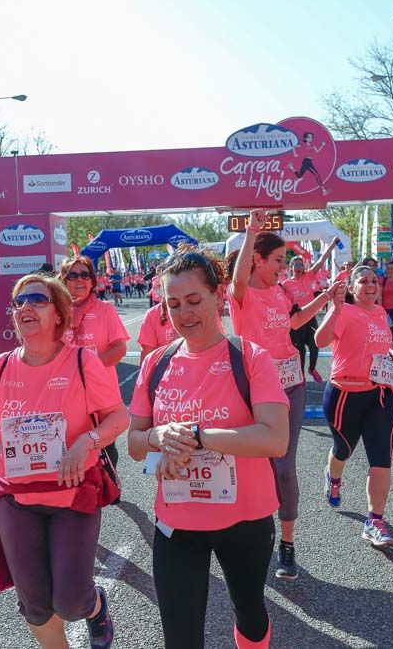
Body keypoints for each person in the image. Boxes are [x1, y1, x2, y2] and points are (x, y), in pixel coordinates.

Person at [0, 273, 127, 649]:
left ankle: (95, 609)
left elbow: (118, 418)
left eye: (37, 300)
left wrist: (86, 442)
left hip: (72, 494)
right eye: (19, 302)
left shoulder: (82, 361)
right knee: (34, 605)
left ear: (59, 315)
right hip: (16, 500)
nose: (25, 306)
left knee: (71, 600)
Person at [127, 249, 289, 649]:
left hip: (245, 522)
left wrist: (200, 435)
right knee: (180, 639)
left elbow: (275, 438)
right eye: (173, 304)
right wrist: (157, 437)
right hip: (177, 524)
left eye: (194, 300)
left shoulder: (250, 358)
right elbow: (133, 444)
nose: (184, 314)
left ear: (219, 296)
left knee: (249, 613)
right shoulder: (156, 364)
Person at [229, 209, 340, 580]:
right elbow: (239, 274)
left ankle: (287, 546)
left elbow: (293, 322)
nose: (282, 267)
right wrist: (251, 232)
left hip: (291, 383)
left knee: (284, 464)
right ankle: (250, 536)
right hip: (254, 387)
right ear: (257, 260)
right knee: (250, 465)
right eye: (277, 260)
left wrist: (326, 297)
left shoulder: (278, 291)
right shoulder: (240, 293)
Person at [315, 266, 393, 548]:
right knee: (343, 449)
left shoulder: (380, 312)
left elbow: (384, 339)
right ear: (352, 287)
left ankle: (375, 521)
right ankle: (334, 477)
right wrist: (335, 308)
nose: (370, 285)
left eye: (373, 281)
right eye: (362, 281)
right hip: (345, 394)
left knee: (381, 457)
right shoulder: (345, 312)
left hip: (380, 394)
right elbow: (320, 341)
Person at [61, 256, 129, 463]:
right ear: (63, 280)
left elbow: (119, 349)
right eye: (72, 275)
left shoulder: (105, 309)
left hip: (101, 391)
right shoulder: (55, 311)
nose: (79, 280)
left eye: (85, 275)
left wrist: (87, 370)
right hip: (64, 391)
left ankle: (110, 492)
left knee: (104, 445)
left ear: (92, 280)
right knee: (68, 444)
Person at [282, 238, 339, 383]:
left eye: (301, 264)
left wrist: (332, 245)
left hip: (310, 318)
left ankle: (312, 369)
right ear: (291, 267)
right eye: (296, 264)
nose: (299, 266)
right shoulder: (286, 284)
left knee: (315, 345)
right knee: (300, 350)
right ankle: (301, 376)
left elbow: (321, 261)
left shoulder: (308, 276)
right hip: (296, 320)